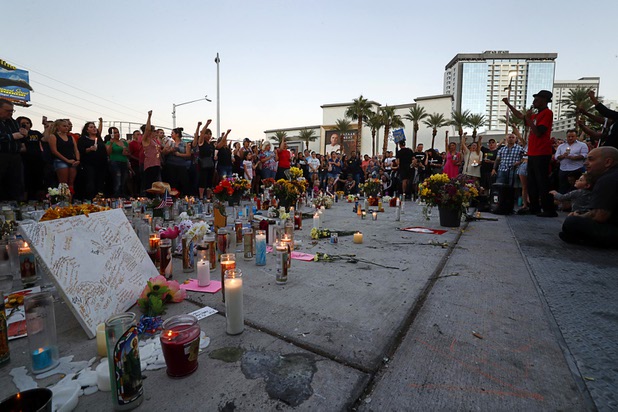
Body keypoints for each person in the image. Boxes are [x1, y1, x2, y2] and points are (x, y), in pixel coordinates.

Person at [503, 90, 556, 217]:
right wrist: (509, 105)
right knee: (532, 182)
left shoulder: (547, 114)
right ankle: (534, 208)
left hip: (542, 152)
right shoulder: (536, 115)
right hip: (532, 153)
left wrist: (529, 119)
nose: (534, 102)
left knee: (542, 182)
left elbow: (538, 132)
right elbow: (520, 116)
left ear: (544, 100)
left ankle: (549, 209)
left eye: (537, 99)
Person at [559, 147, 618, 247]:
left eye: (591, 159)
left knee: (572, 222)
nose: (586, 163)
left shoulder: (607, 179)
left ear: (608, 162)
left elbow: (600, 216)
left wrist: (579, 216)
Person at [0, 99, 26, 200]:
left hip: (15, 156)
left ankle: (15, 206)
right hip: (2, 154)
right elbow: (11, 136)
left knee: (16, 182)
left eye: (12, 111)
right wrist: (11, 137)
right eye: (8, 110)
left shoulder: (13, 122)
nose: (10, 113)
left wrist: (23, 134)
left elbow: (20, 137)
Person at [46, 119, 80, 195]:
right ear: (58, 127)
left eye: (67, 126)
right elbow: (54, 151)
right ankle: (63, 199)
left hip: (72, 160)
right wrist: (66, 160)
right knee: (63, 183)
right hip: (60, 160)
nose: (66, 128)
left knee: (71, 182)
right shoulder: (53, 136)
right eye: (64, 126)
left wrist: (78, 159)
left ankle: (70, 199)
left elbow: (76, 149)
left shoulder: (71, 137)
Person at [16, 116, 45, 200]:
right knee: (26, 182)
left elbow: (45, 139)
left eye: (28, 123)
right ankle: (24, 202)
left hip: (38, 161)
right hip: (24, 161)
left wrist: (46, 127)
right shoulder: (18, 134)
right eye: (23, 123)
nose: (26, 125)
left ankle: (39, 202)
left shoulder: (35, 133)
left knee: (39, 182)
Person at [78, 118, 107, 199]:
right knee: (90, 182)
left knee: (100, 182)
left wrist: (101, 122)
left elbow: (100, 130)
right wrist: (89, 149)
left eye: (94, 127)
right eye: (91, 127)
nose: (94, 128)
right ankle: (90, 198)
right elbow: (81, 150)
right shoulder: (83, 139)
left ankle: (100, 198)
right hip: (89, 164)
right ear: (87, 130)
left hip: (101, 164)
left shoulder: (99, 139)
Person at [554, 129, 588, 194]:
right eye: (569, 136)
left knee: (576, 188)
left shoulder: (582, 145)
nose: (570, 138)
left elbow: (585, 155)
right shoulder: (561, 146)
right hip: (563, 169)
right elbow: (556, 157)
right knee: (563, 188)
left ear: (576, 136)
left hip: (576, 169)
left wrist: (574, 157)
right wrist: (563, 156)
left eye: (572, 136)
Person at [163, 127, 191, 196]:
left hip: (181, 165)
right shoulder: (170, 143)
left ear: (177, 134)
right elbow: (164, 152)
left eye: (172, 133)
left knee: (184, 181)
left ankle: (184, 196)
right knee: (172, 182)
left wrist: (179, 154)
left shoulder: (185, 144)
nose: (171, 135)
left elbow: (188, 155)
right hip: (171, 164)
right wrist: (170, 150)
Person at [105, 126, 131, 198]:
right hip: (115, 162)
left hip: (124, 161)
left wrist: (127, 153)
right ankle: (116, 195)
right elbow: (108, 153)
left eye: (118, 132)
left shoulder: (124, 143)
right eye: (115, 133)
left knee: (124, 179)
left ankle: (123, 194)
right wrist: (111, 144)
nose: (117, 134)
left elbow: (129, 153)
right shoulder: (109, 142)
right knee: (117, 179)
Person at [141, 111, 162, 196]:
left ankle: (155, 199)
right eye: (154, 131)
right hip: (150, 165)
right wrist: (149, 116)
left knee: (156, 185)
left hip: (156, 164)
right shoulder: (146, 140)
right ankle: (149, 200)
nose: (155, 132)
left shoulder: (154, 140)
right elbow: (147, 129)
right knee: (150, 184)